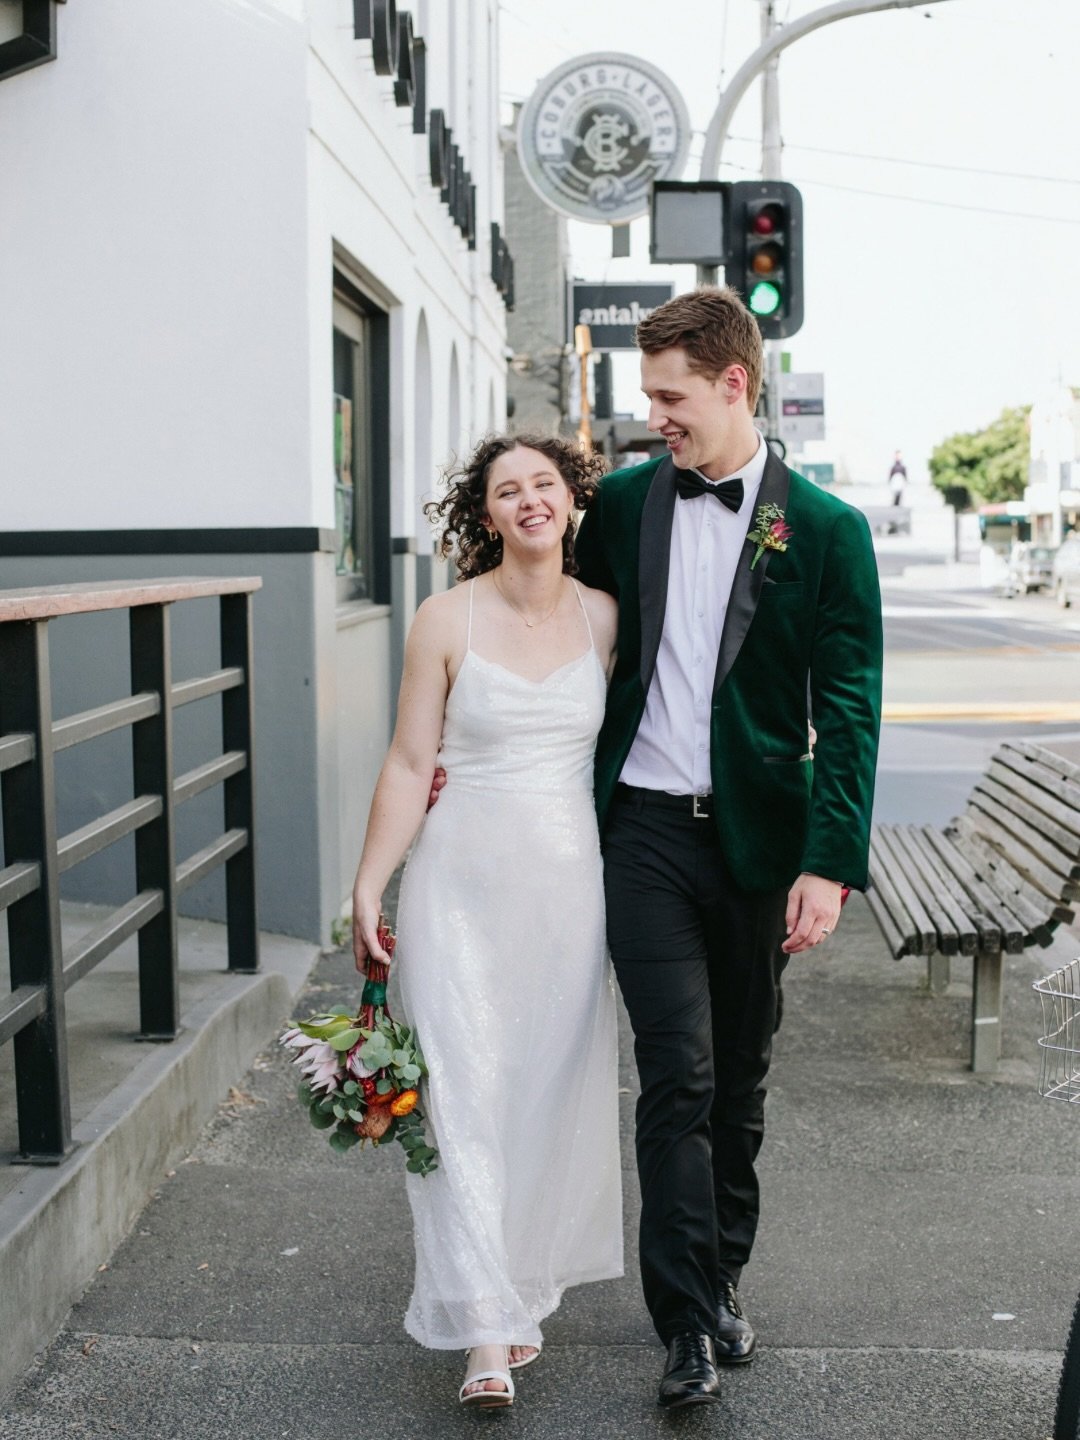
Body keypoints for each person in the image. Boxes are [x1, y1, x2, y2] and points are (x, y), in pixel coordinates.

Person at [573, 286, 883, 1409]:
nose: (652, 414)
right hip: (643, 831)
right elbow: (557, 640)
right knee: (678, 1076)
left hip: (761, 844)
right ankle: (685, 1322)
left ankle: (725, 1274)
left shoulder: (831, 533)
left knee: (740, 1082)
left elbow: (850, 707)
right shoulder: (615, 507)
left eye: (669, 395)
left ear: (734, 384)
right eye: (649, 397)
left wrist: (830, 861)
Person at [350, 433, 622, 1410]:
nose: (530, 500)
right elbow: (404, 763)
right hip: (457, 888)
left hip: (567, 898)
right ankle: (484, 1339)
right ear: (488, 513)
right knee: (461, 1098)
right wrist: (369, 885)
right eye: (508, 490)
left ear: (572, 501)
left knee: (541, 1099)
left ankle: (515, 1294)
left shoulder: (605, 620)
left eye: (544, 483)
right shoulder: (442, 620)